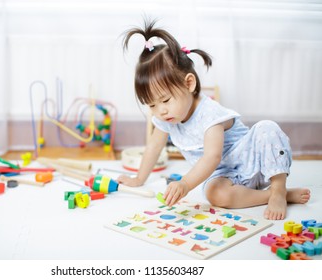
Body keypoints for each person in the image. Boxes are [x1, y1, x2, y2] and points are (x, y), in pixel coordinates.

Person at [117, 19, 310, 220]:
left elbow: (212, 157)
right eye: (152, 105)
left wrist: (184, 183)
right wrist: (139, 179)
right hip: (221, 176)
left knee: (267, 128)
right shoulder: (166, 118)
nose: (160, 111)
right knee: (215, 195)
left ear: (189, 84)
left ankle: (278, 188)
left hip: (254, 161)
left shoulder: (209, 113)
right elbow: (153, 148)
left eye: (165, 100)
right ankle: (271, 195)